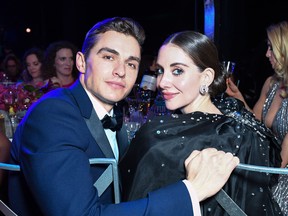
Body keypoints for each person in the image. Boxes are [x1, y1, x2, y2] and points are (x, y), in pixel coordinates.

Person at [8, 17, 240, 216]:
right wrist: (192, 191)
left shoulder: (114, 113)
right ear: (81, 62)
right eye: (109, 57)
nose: (121, 71)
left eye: (131, 63)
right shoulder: (53, 115)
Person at [119, 30, 283, 215]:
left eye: (177, 71)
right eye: (160, 71)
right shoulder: (231, 113)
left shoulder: (159, 140)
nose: (163, 82)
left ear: (206, 77)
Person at [226, 20, 288, 215]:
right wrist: (238, 97)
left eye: (271, 48)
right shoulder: (272, 83)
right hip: (268, 165)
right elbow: (255, 120)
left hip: (281, 180)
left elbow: (281, 162)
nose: (266, 54)